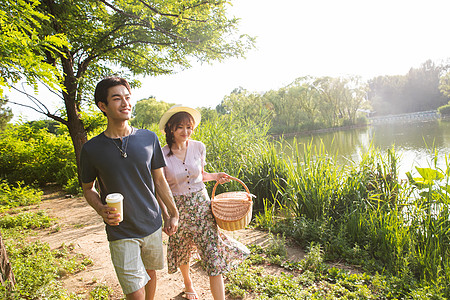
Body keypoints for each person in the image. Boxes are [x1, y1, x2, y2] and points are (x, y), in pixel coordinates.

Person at [80, 77, 179, 300]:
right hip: (120, 229)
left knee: (150, 274)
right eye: (117, 98)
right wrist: (100, 209)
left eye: (127, 97)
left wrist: (172, 213)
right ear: (102, 106)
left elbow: (159, 181)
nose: (125, 103)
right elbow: (88, 189)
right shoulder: (91, 149)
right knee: (135, 293)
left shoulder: (148, 138)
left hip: (152, 223)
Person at [158, 105, 250, 300]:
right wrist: (167, 216)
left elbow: (199, 175)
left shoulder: (199, 147)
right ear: (171, 129)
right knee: (181, 248)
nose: (186, 132)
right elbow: (160, 187)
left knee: (212, 254)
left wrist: (216, 176)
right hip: (178, 209)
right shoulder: (162, 154)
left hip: (202, 207)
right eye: (180, 127)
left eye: (189, 127)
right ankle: (188, 283)